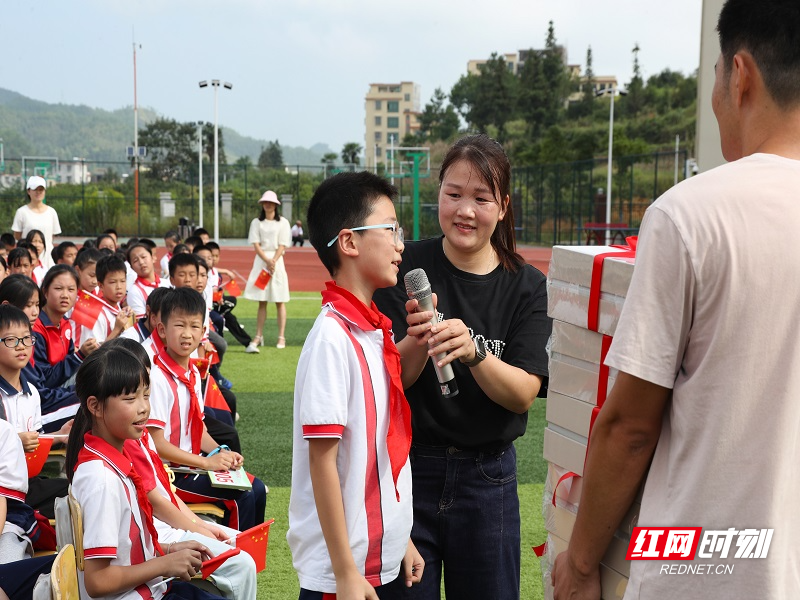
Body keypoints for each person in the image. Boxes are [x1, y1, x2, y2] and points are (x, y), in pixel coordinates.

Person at [552, 2, 800, 599]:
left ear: (739, 76)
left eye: (715, 76)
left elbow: (630, 425)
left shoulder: (692, 215)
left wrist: (581, 562)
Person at [374, 134, 551, 600]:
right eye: (453, 195)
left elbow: (522, 393)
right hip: (410, 473)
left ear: (503, 205)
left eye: (481, 198)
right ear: (439, 195)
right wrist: (416, 338)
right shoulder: (404, 265)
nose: (464, 211)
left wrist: (474, 352)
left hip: (487, 480)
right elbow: (390, 381)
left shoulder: (527, 286)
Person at [287, 171, 423, 600]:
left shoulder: (373, 330)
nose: (401, 244)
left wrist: (400, 539)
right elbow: (323, 462)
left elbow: (377, 456)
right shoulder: (332, 338)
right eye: (391, 229)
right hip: (346, 574)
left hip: (382, 556)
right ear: (349, 242)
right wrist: (345, 573)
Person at [65, 343, 227, 600]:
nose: (143, 408)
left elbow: (124, 551)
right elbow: (97, 581)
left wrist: (170, 549)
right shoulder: (102, 479)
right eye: (130, 399)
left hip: (148, 588)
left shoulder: (112, 462)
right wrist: (164, 564)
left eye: (146, 395)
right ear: (95, 406)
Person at [146, 288, 266, 530]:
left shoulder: (191, 371)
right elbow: (157, 444)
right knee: (242, 496)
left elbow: (197, 429)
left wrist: (221, 451)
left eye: (194, 327)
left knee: (258, 488)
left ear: (203, 332)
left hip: (190, 466)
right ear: (162, 330)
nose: (186, 334)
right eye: (179, 325)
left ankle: (249, 564)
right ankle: (233, 561)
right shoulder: (157, 377)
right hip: (169, 476)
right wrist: (206, 464)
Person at [243, 190, 291, 351]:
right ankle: (258, 335)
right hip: (262, 262)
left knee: (279, 300)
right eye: (265, 202)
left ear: (276, 205)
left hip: (277, 262)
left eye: (271, 203)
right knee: (261, 301)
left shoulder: (283, 222)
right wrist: (267, 260)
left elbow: (283, 244)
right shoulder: (256, 222)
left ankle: (281, 336)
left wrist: (274, 261)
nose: (268, 205)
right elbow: (256, 244)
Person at [11, 176, 61, 271]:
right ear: (28, 191)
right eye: (35, 189)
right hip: (28, 258)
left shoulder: (51, 212)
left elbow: (52, 236)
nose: (38, 192)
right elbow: (17, 236)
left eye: (41, 189)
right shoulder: (21, 212)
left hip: (47, 258)